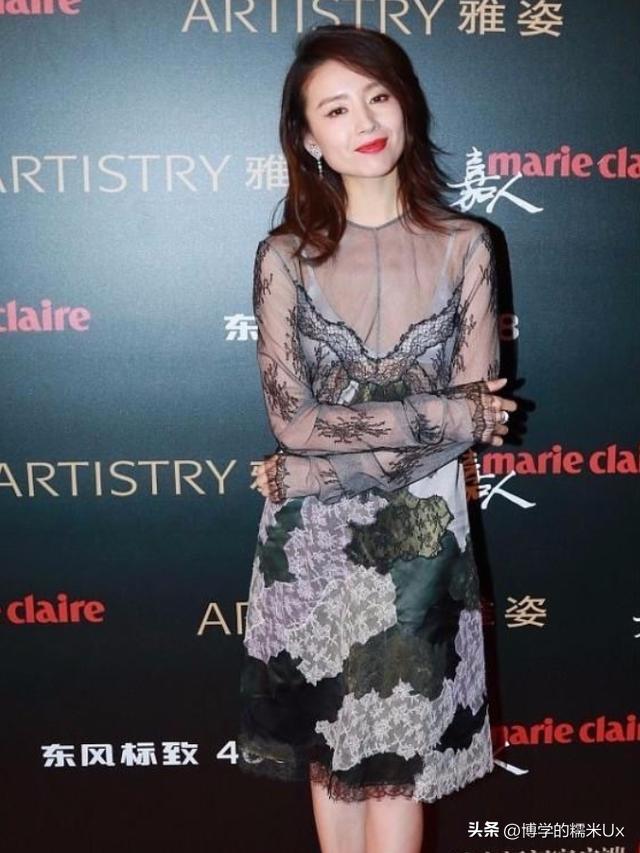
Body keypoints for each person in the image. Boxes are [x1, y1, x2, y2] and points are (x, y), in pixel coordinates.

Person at [237, 23, 518, 853]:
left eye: (377, 96)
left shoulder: (468, 245)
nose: (363, 120)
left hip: (421, 540)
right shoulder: (283, 258)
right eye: (335, 108)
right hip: (313, 546)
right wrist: (456, 413)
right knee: (331, 757)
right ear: (307, 138)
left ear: (406, 105)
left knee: (399, 765)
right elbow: (294, 422)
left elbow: (464, 426)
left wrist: (317, 473)